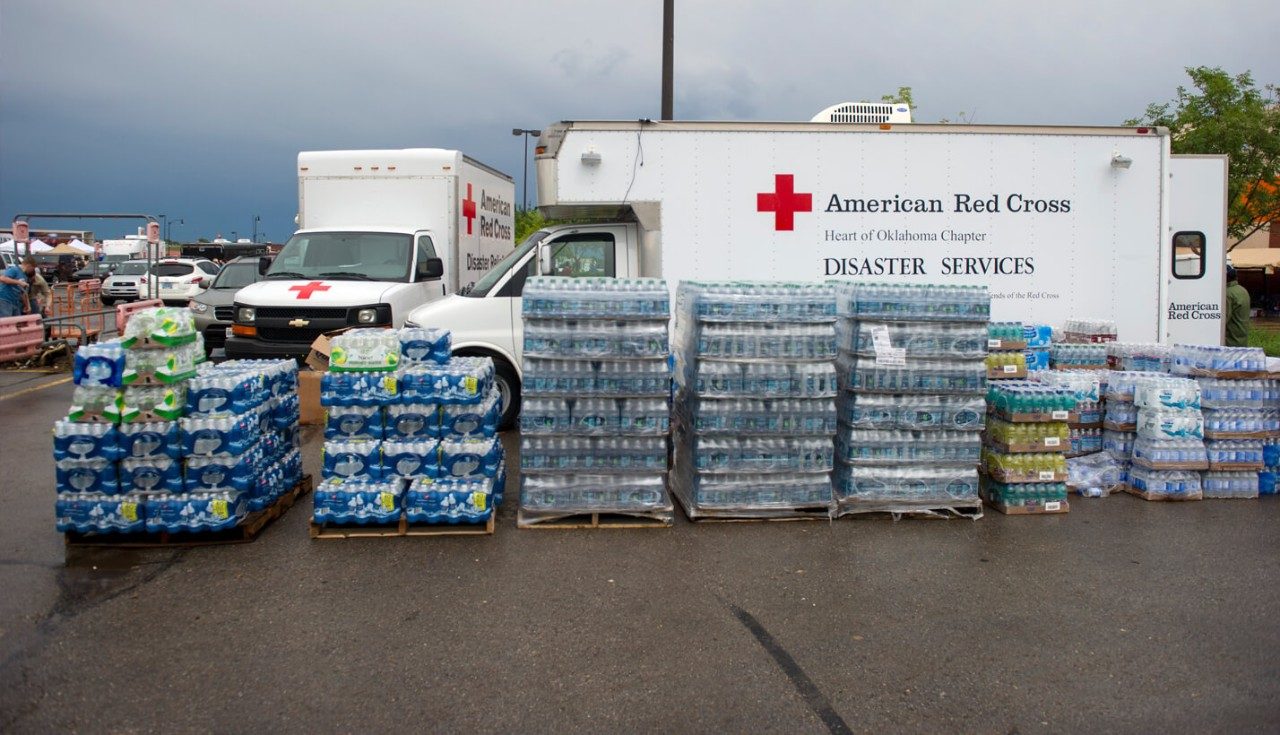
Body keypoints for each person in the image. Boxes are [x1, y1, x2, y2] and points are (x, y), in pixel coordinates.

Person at [1225, 264, 1251, 347]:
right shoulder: (1242, 290)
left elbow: (1223, 320)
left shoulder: (1228, 294)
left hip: (1230, 341)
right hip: (1241, 340)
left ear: (1226, 277)